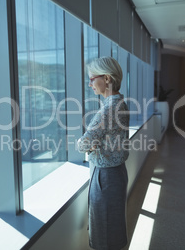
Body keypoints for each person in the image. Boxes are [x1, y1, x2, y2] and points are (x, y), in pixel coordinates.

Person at [78, 56, 130, 250]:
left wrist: (88, 145)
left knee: (104, 232)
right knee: (112, 227)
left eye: (92, 79)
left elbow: (84, 144)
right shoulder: (120, 103)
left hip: (105, 177)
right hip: (116, 173)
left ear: (107, 78)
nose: (89, 84)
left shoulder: (109, 109)